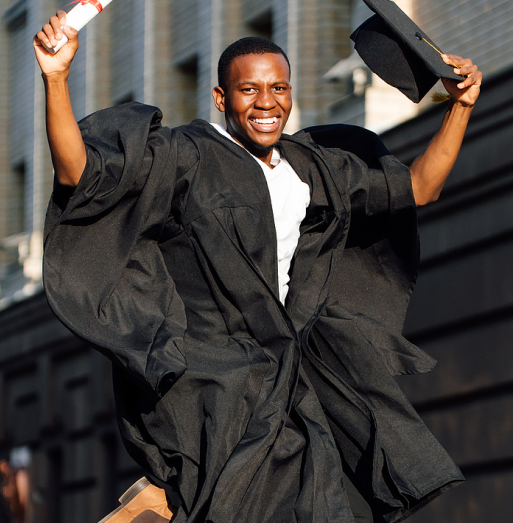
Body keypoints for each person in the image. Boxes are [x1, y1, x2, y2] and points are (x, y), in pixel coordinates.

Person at [35, 9, 481, 523]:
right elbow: (80, 175)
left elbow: (419, 188)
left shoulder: (311, 166)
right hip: (211, 375)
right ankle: (162, 500)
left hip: (286, 370)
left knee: (322, 496)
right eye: (249, 90)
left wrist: (460, 108)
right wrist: (57, 77)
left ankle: (164, 502)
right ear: (222, 99)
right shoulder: (185, 156)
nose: (267, 103)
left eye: (279, 89)